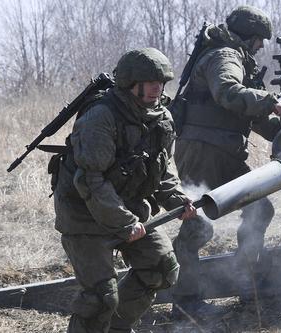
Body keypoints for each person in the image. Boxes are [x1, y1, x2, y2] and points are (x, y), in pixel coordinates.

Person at [53, 48, 196, 333]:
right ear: (131, 82)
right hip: (84, 216)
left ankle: (116, 329)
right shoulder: (100, 117)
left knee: (161, 268)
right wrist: (125, 222)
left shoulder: (162, 117)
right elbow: (90, 181)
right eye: (150, 81)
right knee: (100, 298)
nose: (158, 88)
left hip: (131, 210)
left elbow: (164, 168)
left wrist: (177, 199)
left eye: (162, 82)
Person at [172, 5, 281, 313]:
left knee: (259, 209)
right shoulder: (225, 56)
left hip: (215, 149)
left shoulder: (233, 57)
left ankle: (246, 281)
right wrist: (272, 102)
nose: (262, 47)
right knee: (198, 223)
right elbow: (228, 93)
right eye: (259, 40)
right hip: (204, 151)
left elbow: (245, 112)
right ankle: (187, 300)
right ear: (250, 37)